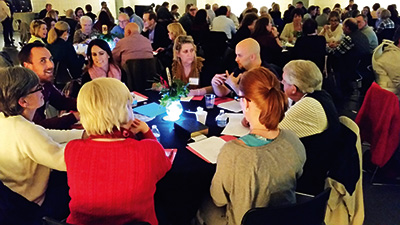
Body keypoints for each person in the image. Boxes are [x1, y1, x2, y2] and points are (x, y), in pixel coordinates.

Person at [198, 66, 306, 225]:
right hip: (286, 218)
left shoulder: (232, 153)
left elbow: (219, 199)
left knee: (201, 204)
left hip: (241, 221)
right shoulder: (293, 141)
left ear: (245, 103)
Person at [65, 78, 171, 225]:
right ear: (125, 110)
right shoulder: (149, 149)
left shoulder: (72, 149)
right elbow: (164, 166)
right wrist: (145, 132)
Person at [0, 67, 83, 222]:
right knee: (81, 183)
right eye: (38, 88)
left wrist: (84, 134)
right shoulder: (23, 130)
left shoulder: (8, 120)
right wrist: (98, 145)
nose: (42, 91)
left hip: (13, 196)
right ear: (23, 101)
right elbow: (63, 160)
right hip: (32, 204)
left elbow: (47, 133)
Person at [279, 60, 340, 195]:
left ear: (294, 89)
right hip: (318, 162)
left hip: (309, 175)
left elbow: (271, 133)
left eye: (283, 81)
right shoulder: (320, 95)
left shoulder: (309, 105)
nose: (281, 83)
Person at [18, 42, 80, 129]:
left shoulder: (44, 83)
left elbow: (61, 102)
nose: (51, 65)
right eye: (42, 61)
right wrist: (76, 116)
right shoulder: (23, 91)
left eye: (50, 59)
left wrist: (91, 103)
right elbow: (38, 126)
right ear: (27, 66)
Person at [46, 21, 85, 89]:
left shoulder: (48, 45)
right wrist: (82, 57)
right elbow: (75, 65)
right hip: (66, 81)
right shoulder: (67, 46)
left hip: (52, 79)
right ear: (65, 33)